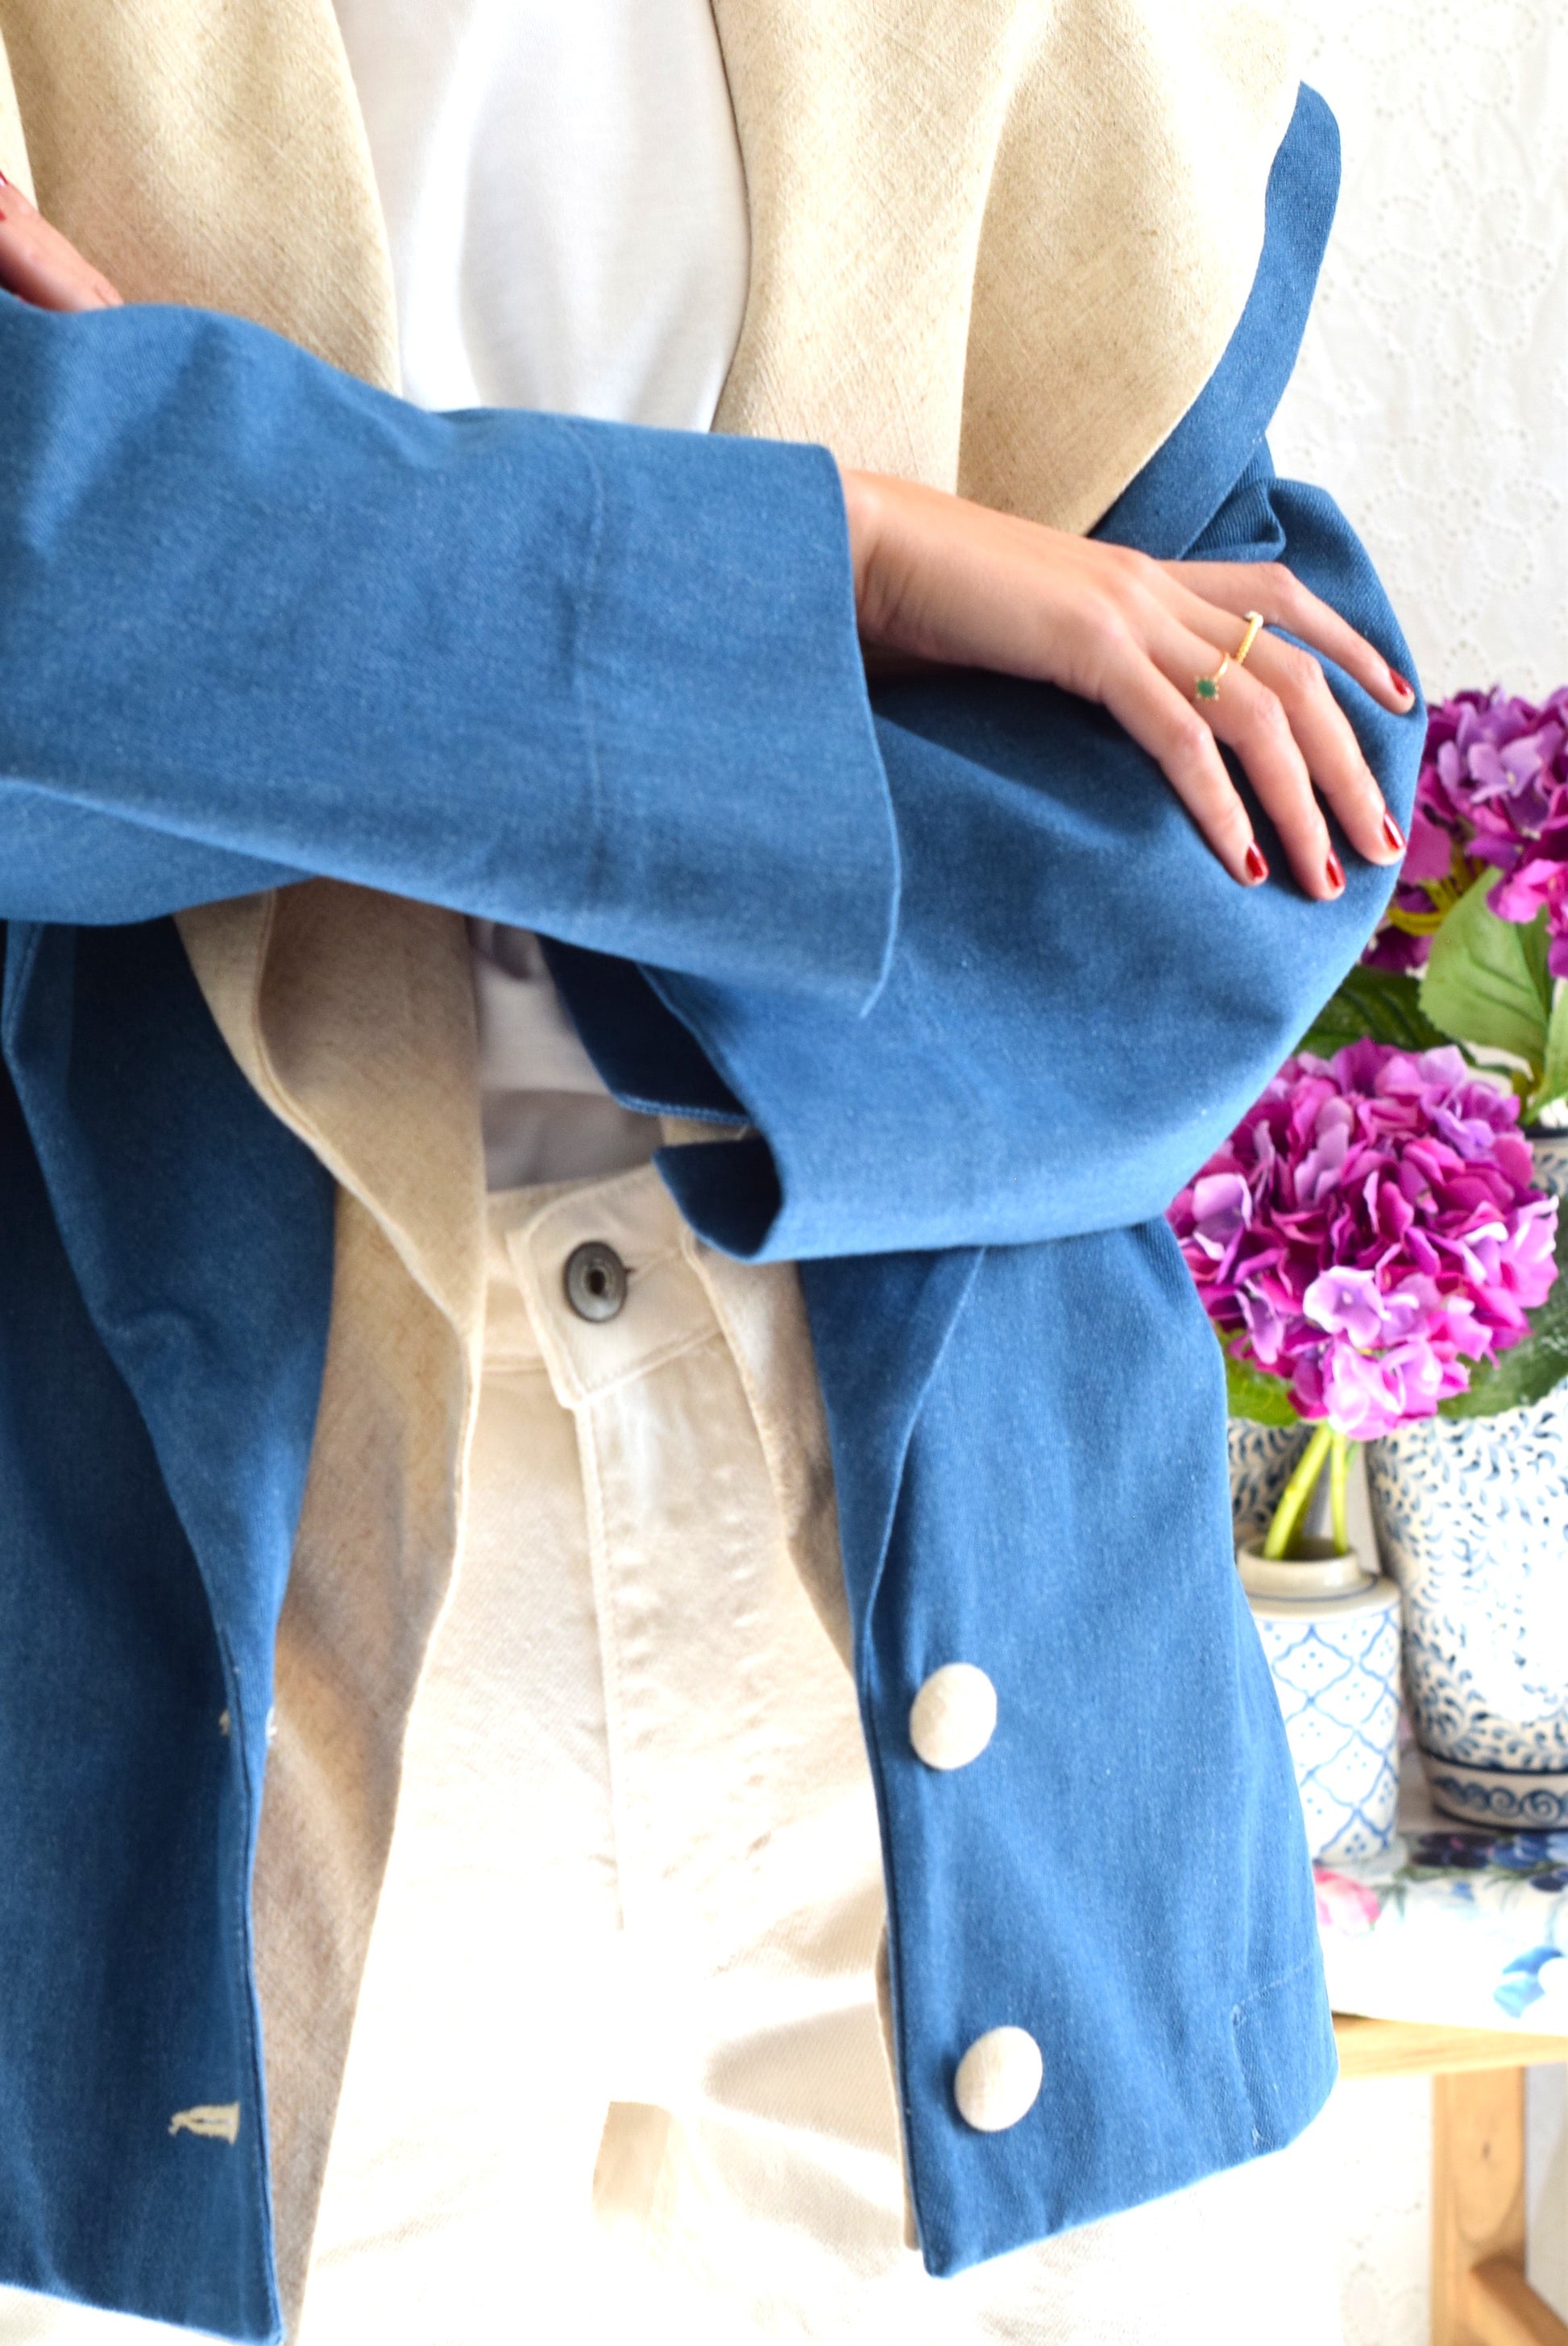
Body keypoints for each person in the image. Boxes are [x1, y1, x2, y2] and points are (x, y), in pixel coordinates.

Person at [0, 1, 1421, 2339]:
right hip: (231, 1616)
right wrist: (847, 568)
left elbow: (1217, 846)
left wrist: (265, 545)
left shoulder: (1030, 41)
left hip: (969, 1616)